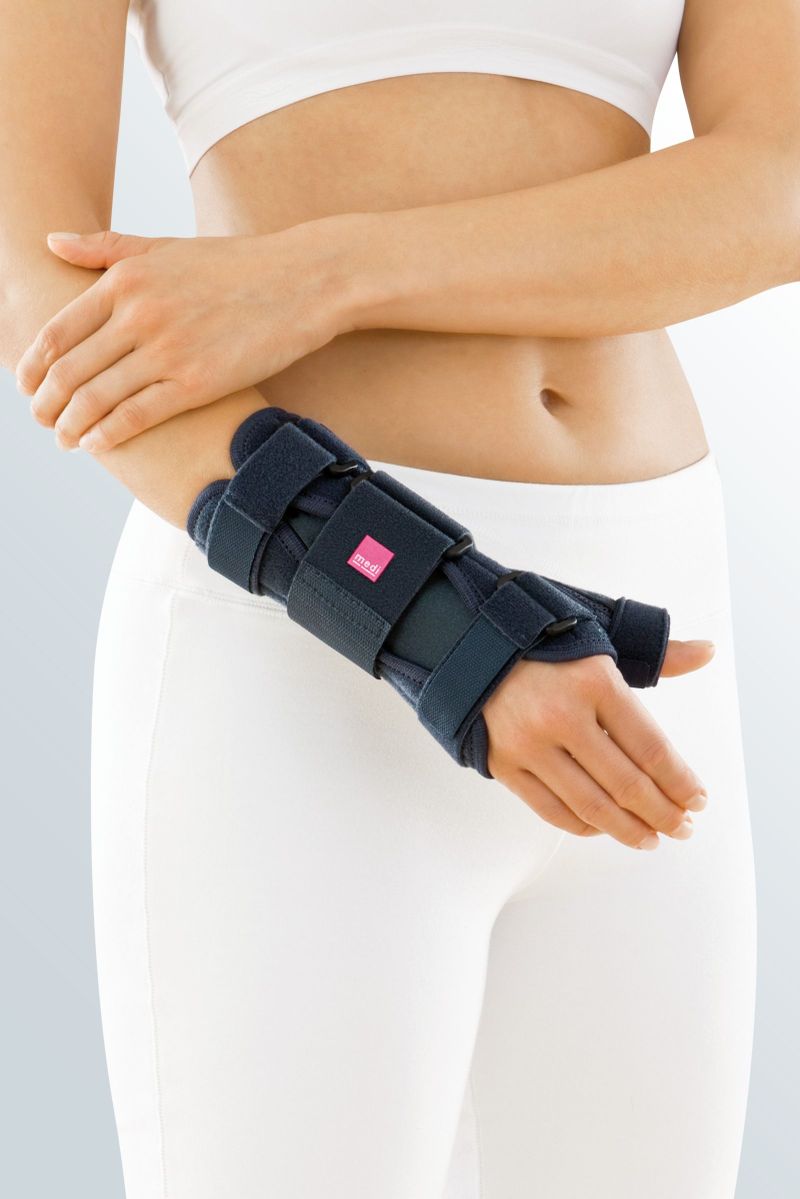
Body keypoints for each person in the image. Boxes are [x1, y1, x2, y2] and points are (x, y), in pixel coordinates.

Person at [3, 0, 796, 1193]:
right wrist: (443, 617)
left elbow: (779, 181)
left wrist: (322, 274)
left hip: (649, 618)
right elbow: (39, 291)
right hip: (306, 636)